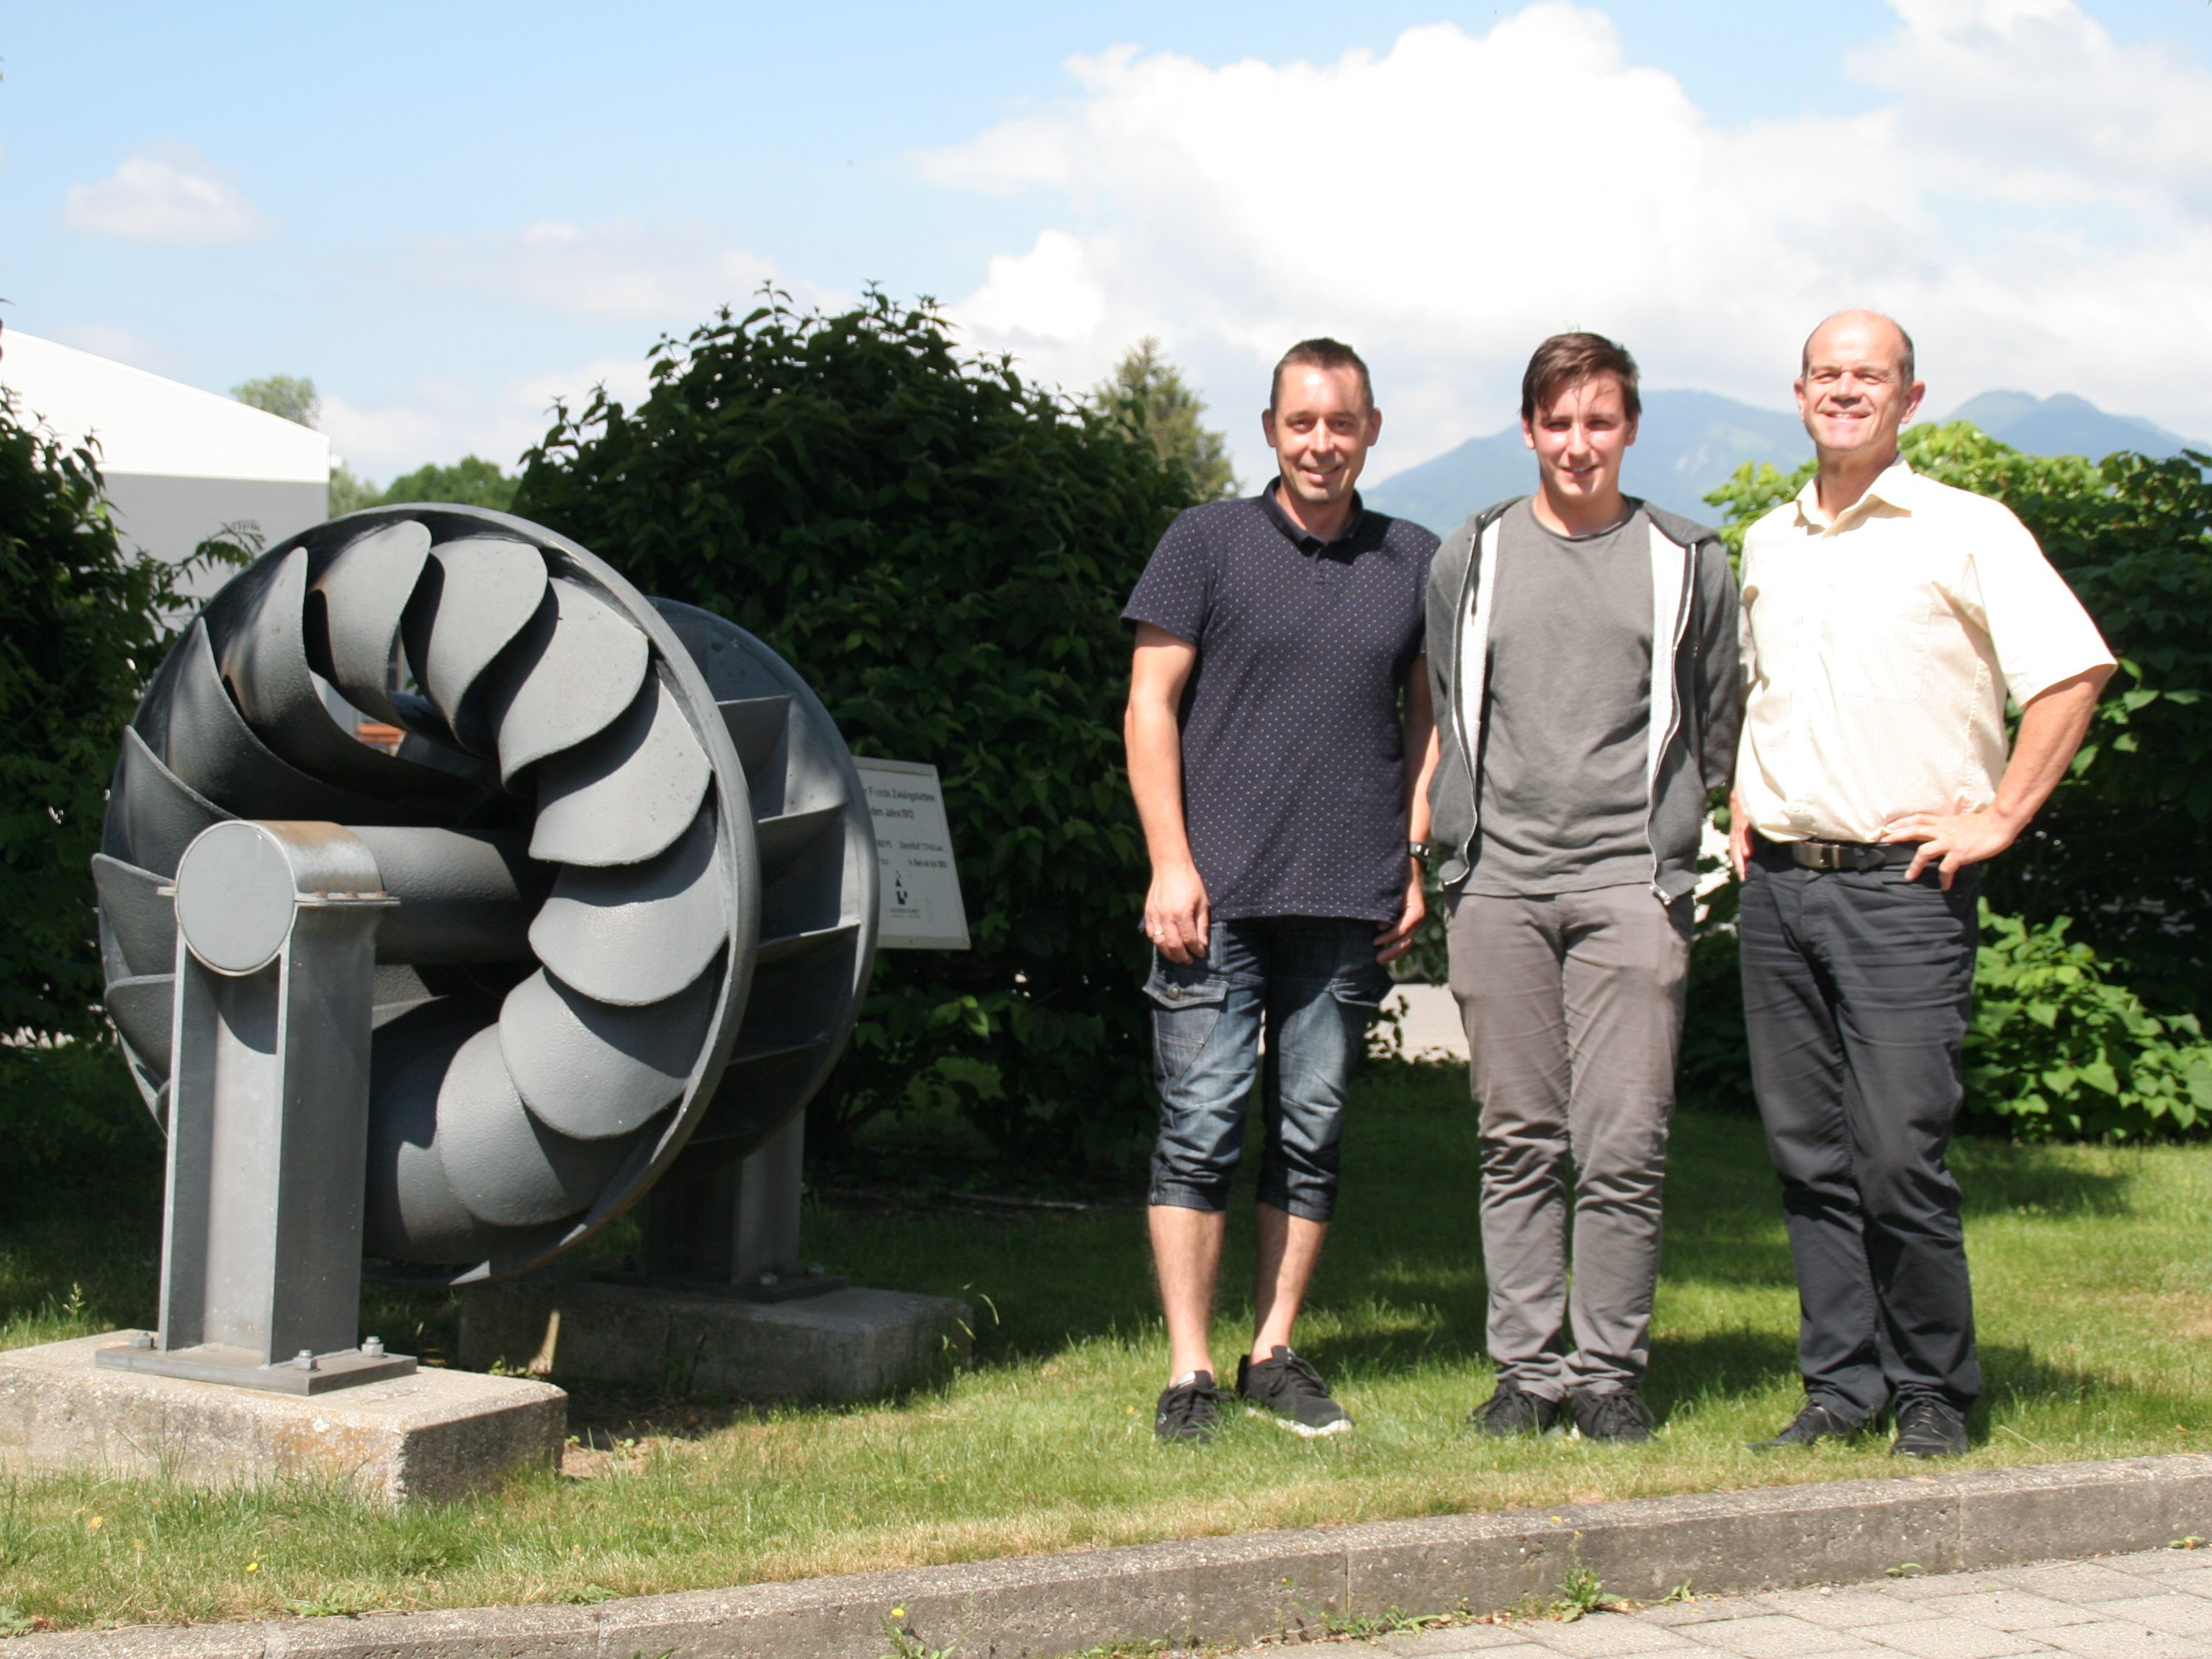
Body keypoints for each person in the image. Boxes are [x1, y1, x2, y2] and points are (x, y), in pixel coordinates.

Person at [1732, 310, 2114, 1458]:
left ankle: (1935, 1389)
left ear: (1911, 396)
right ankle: (1839, 1389)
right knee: (1809, 1156)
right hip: (1781, 887)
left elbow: (2073, 670)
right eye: (1828, 375)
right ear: (1799, 393)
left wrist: (2001, 813)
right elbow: (1770, 694)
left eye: (1872, 376)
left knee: (1898, 1148)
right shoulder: (1767, 541)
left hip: (1903, 888)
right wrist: (1748, 791)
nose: (1847, 391)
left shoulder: (1967, 528)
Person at [1424, 333, 1742, 1444]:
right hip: (1500, 882)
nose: (1577, 444)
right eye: (1558, 423)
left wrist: (1687, 854)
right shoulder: (1472, 554)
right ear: (1528, 429)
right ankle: (1526, 1372)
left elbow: (1715, 718)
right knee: (1517, 1138)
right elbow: (1452, 710)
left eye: (1599, 422)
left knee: (1622, 1142)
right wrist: (1448, 856)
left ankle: (1607, 1372)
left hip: (1630, 885)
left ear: (1631, 430)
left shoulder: (1686, 558)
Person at [1123, 338, 1438, 1443]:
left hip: (1349, 895)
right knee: (1200, 1126)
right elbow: (1148, 703)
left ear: (1371, 430)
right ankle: (1190, 1372)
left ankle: (1275, 1352)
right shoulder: (1204, 542)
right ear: (1271, 430)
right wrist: (1170, 857)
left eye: (1340, 423)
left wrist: (1411, 850)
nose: (1320, 443)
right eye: (1300, 423)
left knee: (1312, 1129)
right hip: (1216, 893)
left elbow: (1429, 714)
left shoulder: (1413, 559)